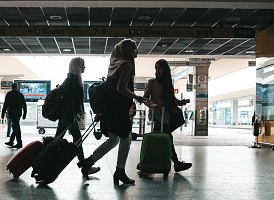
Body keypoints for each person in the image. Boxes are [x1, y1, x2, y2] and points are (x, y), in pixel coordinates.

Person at [77, 39, 145, 185]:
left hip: (110, 109)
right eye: (134, 48)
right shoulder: (126, 65)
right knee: (126, 139)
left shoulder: (114, 64)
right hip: (119, 110)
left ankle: (88, 163)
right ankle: (120, 171)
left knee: (114, 140)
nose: (136, 51)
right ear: (127, 50)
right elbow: (121, 89)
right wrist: (136, 96)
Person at [143, 59, 192, 172]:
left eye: (160, 68)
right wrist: (153, 105)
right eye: (156, 68)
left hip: (166, 114)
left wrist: (181, 102)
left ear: (165, 70)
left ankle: (146, 162)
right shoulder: (152, 82)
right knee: (167, 138)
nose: (157, 71)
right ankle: (176, 163)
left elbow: (171, 99)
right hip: (157, 114)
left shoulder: (168, 84)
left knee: (158, 139)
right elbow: (145, 98)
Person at [56, 57, 100, 176]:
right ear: (77, 66)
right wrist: (72, 118)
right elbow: (69, 101)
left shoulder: (72, 79)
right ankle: (84, 166)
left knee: (57, 140)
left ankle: (45, 160)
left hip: (66, 115)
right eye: (83, 65)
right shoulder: (72, 81)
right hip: (68, 115)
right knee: (78, 140)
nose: (84, 67)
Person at [3, 82, 27, 148]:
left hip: (12, 112)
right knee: (15, 127)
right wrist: (24, 114)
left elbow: (5, 104)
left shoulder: (9, 94)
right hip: (18, 113)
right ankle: (11, 141)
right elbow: (24, 105)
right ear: (17, 87)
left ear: (12, 87)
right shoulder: (20, 94)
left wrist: (3, 113)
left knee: (16, 127)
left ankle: (19, 143)